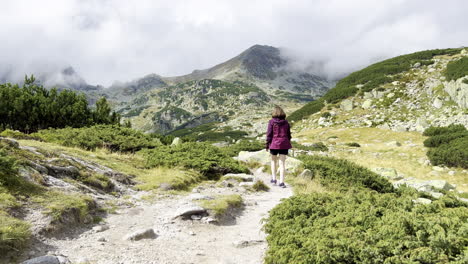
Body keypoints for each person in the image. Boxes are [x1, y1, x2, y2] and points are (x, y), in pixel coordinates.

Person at [265, 106, 292, 188]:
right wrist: (287, 141)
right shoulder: (286, 122)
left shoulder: (271, 122)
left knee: (273, 161)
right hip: (284, 143)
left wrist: (267, 143)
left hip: (274, 144)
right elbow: (288, 134)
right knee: (282, 163)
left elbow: (269, 134)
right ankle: (282, 182)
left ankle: (273, 179)